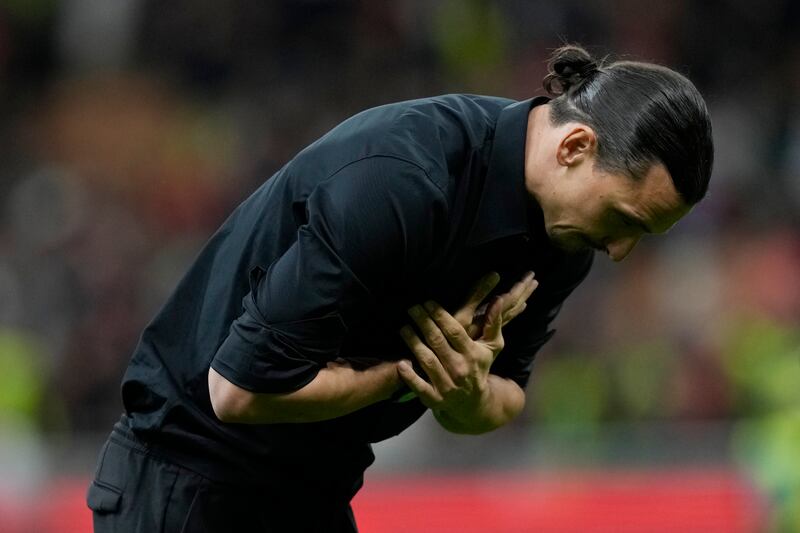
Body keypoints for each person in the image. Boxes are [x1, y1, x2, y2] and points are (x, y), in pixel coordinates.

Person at [86, 44, 713, 532]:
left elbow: (505, 397)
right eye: (627, 221)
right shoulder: (403, 181)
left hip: (313, 494)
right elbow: (238, 390)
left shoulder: (565, 237)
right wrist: (410, 371)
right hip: (186, 480)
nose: (622, 250)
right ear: (575, 146)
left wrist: (463, 389)